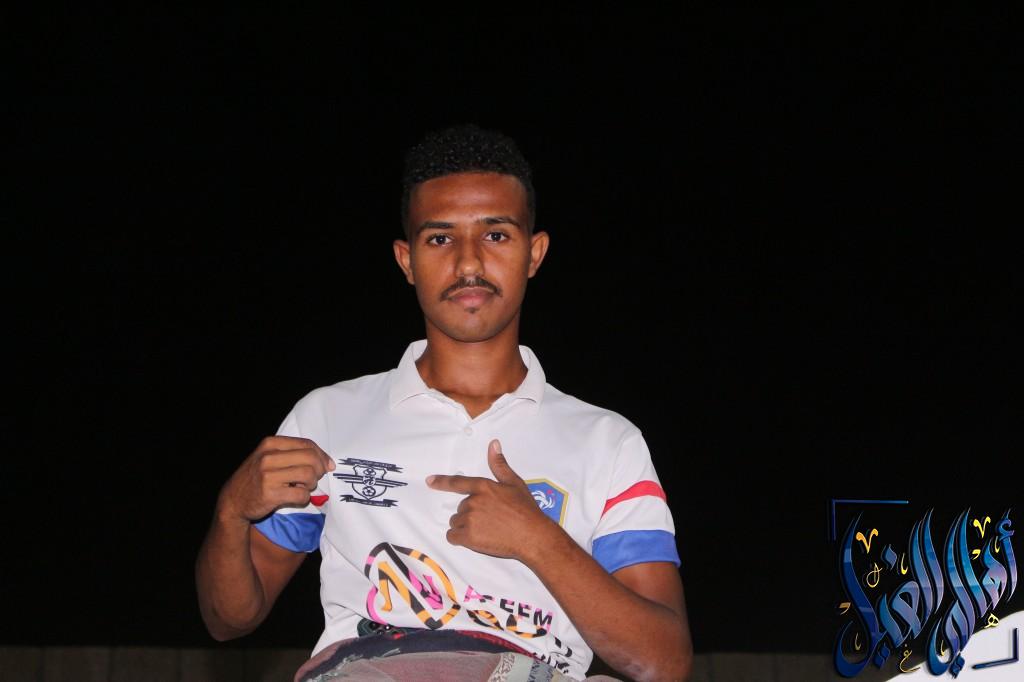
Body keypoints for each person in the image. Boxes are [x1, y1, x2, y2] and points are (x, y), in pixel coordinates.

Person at [196, 124, 693, 681]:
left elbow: (664, 662)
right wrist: (231, 510)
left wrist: (538, 540)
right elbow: (228, 618)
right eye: (439, 239)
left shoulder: (608, 442)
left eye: (496, 235)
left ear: (534, 253)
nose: (468, 263)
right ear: (406, 260)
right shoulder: (328, 418)